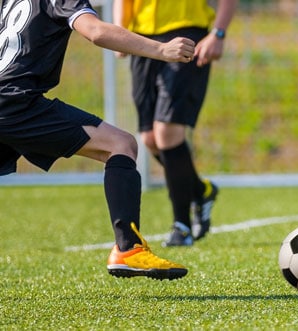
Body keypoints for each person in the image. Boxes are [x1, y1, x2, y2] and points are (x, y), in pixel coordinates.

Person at [0, 0, 197, 280]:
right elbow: (95, 31)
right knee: (121, 144)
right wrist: (162, 49)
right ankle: (129, 250)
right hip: (16, 102)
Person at [112, 0, 238, 247]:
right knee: (149, 138)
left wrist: (218, 33)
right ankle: (200, 192)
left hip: (188, 32)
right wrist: (120, 30)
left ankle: (182, 226)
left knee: (167, 132)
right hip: (142, 36)